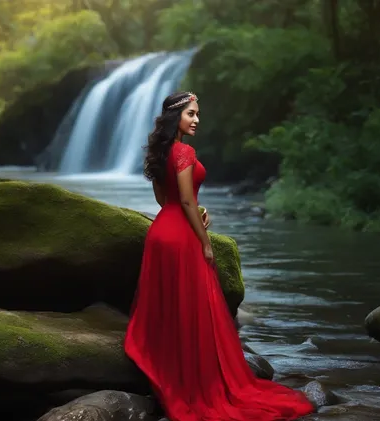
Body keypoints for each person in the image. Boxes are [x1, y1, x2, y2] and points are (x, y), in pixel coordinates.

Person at [124, 91, 315, 421]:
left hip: (162, 233)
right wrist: (205, 239)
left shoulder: (161, 151)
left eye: (198, 114)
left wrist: (195, 211)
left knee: (174, 307)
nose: (197, 120)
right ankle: (193, 382)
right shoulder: (183, 150)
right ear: (176, 117)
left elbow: (164, 199)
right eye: (191, 114)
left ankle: (169, 372)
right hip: (182, 236)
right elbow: (184, 200)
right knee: (193, 307)